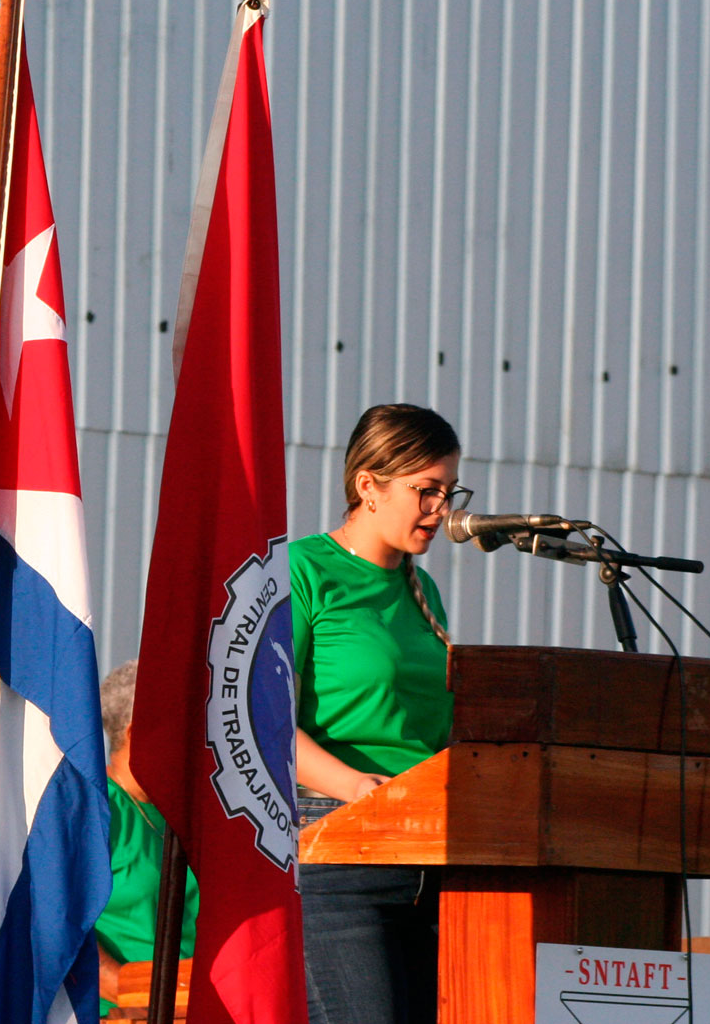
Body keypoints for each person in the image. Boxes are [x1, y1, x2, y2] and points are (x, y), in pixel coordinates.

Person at [290, 403, 472, 1024]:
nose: (442, 509)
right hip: (338, 845)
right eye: (427, 490)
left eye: (449, 491)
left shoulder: (423, 592)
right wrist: (357, 787)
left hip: (430, 851)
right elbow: (262, 723)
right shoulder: (304, 571)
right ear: (369, 485)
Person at [96, 659, 199, 1017]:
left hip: (199, 1002)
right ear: (136, 733)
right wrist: (124, 988)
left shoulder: (189, 811)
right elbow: (54, 921)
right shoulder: (97, 810)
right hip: (125, 1010)